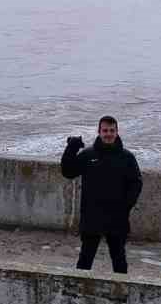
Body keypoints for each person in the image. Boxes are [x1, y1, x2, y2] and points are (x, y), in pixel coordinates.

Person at [60, 115, 143, 274]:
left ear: (117, 132)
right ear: (99, 132)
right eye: (105, 130)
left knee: (119, 258)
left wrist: (126, 206)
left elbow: (136, 183)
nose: (108, 134)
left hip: (117, 217)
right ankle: (79, 291)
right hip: (92, 216)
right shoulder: (88, 155)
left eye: (112, 130)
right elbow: (68, 172)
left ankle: (121, 293)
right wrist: (71, 148)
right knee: (85, 258)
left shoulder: (127, 157)